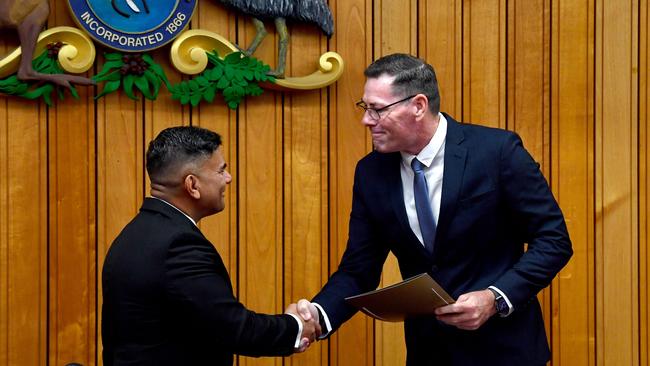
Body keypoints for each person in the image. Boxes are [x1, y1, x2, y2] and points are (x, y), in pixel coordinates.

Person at [298, 53, 573, 365]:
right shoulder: (370, 173)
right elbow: (358, 270)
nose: (366, 120)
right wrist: (317, 316)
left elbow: (554, 240)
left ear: (418, 106)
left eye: (377, 109)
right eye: (365, 108)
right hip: (429, 353)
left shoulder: (497, 152)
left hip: (506, 351)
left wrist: (495, 298)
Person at [101, 126, 320, 366]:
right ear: (192, 185)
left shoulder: (132, 235)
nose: (228, 178)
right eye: (221, 170)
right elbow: (234, 328)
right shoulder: (179, 246)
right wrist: (297, 326)